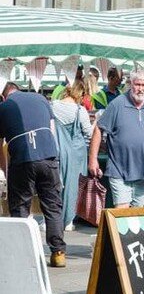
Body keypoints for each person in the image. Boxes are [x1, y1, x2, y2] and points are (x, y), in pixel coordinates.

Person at [0, 82, 66, 267]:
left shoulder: (4, 107)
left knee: (20, 205)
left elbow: (0, 147)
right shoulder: (41, 98)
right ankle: (58, 253)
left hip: (22, 159)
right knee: (52, 206)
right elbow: (52, 131)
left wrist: (6, 170)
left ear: (5, 96)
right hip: (48, 156)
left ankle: (23, 253)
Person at [88, 68, 144, 208]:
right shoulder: (117, 103)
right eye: (137, 84)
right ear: (131, 83)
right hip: (119, 168)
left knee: (135, 214)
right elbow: (98, 128)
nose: (140, 89)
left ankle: (111, 230)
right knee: (122, 211)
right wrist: (93, 159)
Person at [50, 81, 92, 230]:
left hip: (56, 149)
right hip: (76, 154)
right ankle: (68, 221)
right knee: (73, 187)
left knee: (55, 185)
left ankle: (51, 218)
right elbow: (88, 132)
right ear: (80, 94)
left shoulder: (53, 105)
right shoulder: (79, 110)